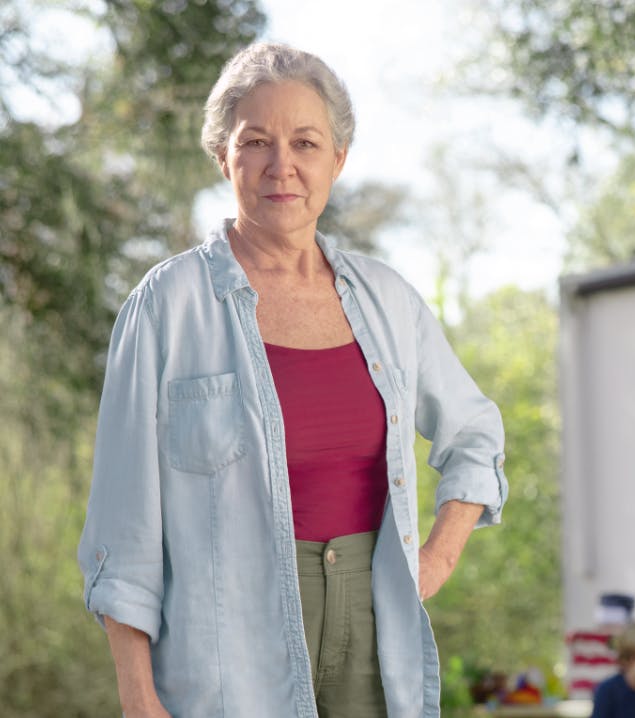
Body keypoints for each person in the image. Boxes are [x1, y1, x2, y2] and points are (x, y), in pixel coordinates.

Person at [77, 42, 508, 718]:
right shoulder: (167, 306)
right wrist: (138, 695)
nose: (283, 166)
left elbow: (475, 433)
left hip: (373, 636)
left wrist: (438, 558)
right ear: (224, 155)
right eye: (257, 142)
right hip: (224, 656)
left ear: (337, 161)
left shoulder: (389, 301)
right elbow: (122, 525)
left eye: (306, 142)